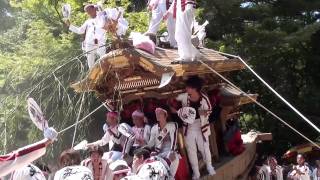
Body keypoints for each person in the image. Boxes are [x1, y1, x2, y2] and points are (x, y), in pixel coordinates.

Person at [173, 76, 215, 179]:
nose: (186, 89)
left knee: (204, 148)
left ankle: (209, 166)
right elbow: (173, 98)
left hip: (201, 126)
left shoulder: (204, 98)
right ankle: (196, 172)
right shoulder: (184, 97)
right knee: (191, 150)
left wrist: (202, 112)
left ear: (194, 88)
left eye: (188, 87)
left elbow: (209, 110)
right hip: (188, 127)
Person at [65, 4, 106, 69]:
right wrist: (70, 25)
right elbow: (80, 31)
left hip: (100, 41)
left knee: (103, 57)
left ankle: (106, 71)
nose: (88, 13)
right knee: (90, 61)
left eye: (89, 10)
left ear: (94, 9)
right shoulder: (87, 22)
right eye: (87, 12)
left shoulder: (102, 17)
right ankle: (93, 77)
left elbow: (105, 24)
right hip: (89, 43)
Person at [147, 107, 180, 177]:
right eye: (156, 113)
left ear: (165, 115)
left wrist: (172, 151)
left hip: (170, 150)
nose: (157, 115)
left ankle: (171, 177)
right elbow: (151, 143)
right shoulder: (154, 128)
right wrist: (144, 145)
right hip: (159, 152)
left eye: (160, 113)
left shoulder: (172, 125)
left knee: (175, 158)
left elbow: (174, 140)